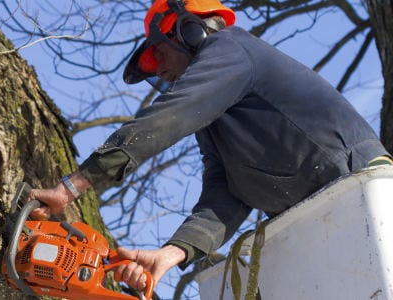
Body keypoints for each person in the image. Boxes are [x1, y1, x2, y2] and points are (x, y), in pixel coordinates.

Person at [28, 0, 392, 292]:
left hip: (358, 187)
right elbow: (226, 192)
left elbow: (171, 115)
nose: (162, 72)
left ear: (189, 31)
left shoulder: (232, 48)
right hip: (320, 218)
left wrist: (73, 185)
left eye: (161, 56)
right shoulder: (218, 118)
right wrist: (171, 254)